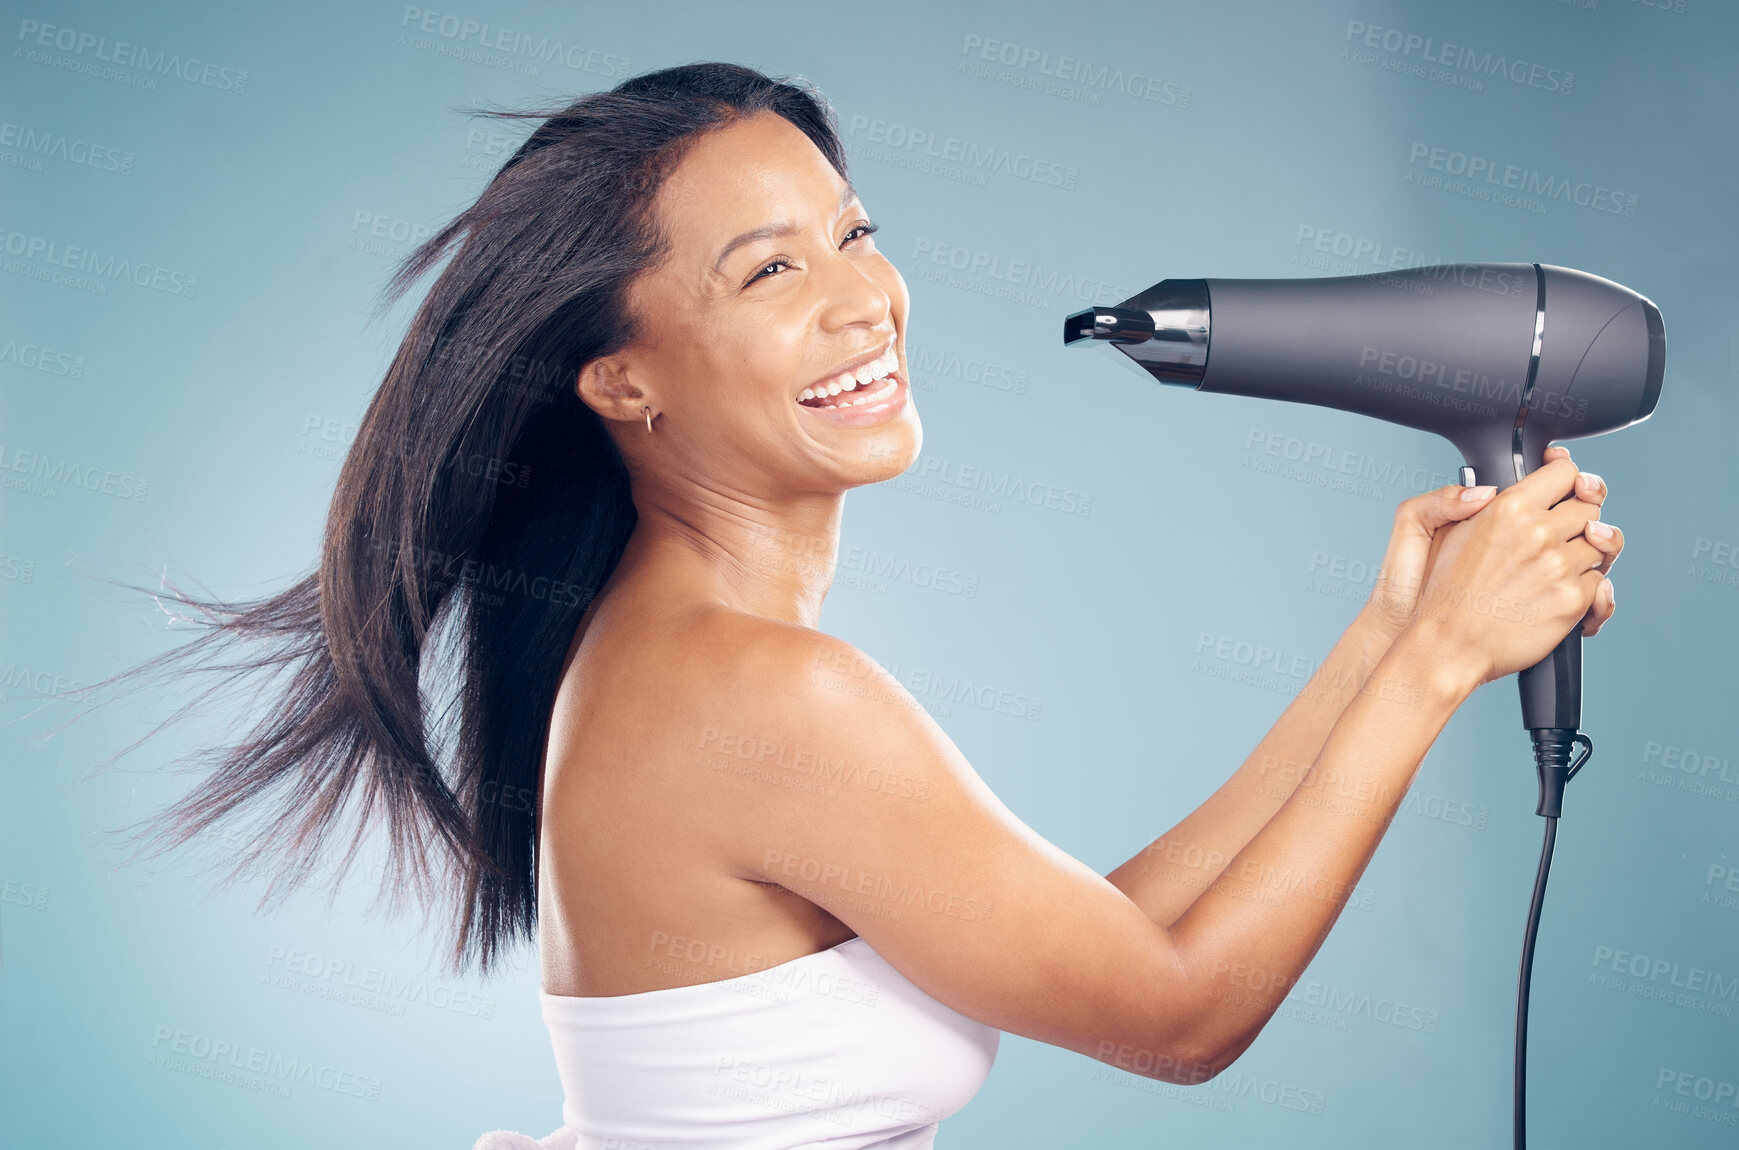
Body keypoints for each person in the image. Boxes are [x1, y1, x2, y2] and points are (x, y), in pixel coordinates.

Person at [116, 63, 1623, 1148]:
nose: (863, 299)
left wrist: (1381, 645)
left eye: (852, 230)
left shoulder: (683, 663)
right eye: (770, 270)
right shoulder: (757, 696)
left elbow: (1108, 943)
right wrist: (1437, 669)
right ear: (618, 376)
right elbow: (1176, 1018)